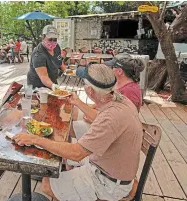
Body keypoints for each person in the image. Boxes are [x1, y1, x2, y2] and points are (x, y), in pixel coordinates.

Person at [13, 64, 143, 201]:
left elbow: (76, 153)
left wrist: (34, 139)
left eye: (84, 84)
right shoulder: (119, 99)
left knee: (47, 184)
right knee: (71, 131)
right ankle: (72, 182)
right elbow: (100, 121)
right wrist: (77, 102)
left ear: (90, 91)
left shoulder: (110, 118)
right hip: (113, 165)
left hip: (109, 182)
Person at [27, 25, 67, 89]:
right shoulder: (38, 54)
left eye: (55, 39)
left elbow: (59, 61)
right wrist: (53, 86)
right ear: (43, 37)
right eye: (50, 39)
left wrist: (66, 71)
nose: (52, 42)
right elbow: (44, 77)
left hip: (52, 81)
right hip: (37, 86)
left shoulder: (56, 47)